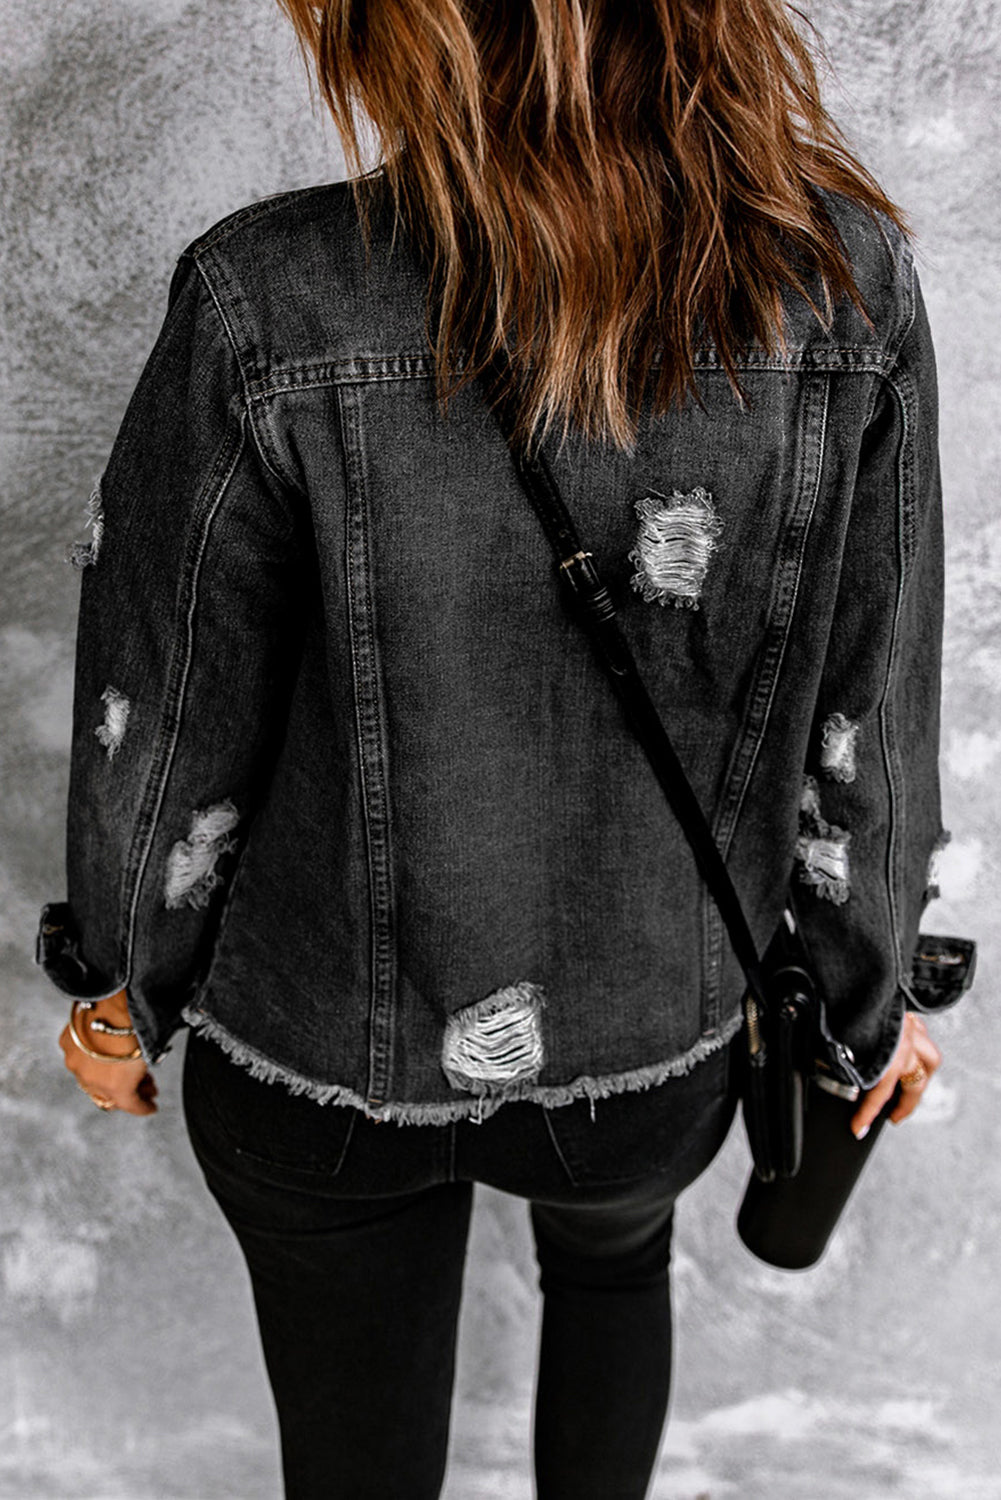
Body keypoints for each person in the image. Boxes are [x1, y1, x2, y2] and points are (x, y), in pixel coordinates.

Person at [39, 1, 948, 1496]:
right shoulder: (843, 283)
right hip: (651, 1038)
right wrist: (865, 1004)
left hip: (319, 1043)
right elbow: (875, 721)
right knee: (615, 1270)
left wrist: (126, 993)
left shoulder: (268, 295)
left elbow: (167, 707)